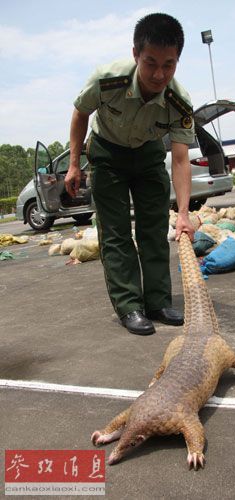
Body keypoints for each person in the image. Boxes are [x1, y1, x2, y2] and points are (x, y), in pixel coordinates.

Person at [65, 13, 195, 336]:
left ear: (178, 61)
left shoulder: (180, 102)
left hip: (149, 153)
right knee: (117, 232)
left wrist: (183, 214)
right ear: (136, 54)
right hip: (107, 153)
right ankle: (129, 306)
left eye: (169, 64)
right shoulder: (107, 80)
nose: (159, 74)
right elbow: (80, 113)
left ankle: (157, 302)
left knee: (153, 228)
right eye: (151, 63)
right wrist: (73, 163)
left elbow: (180, 160)